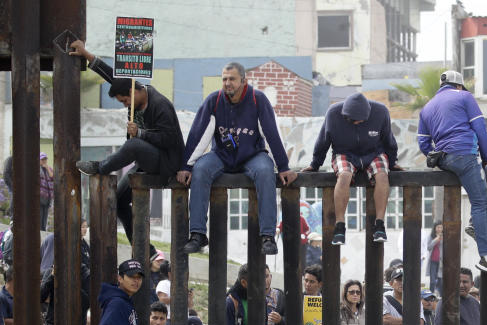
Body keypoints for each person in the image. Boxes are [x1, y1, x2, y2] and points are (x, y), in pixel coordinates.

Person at [71, 40, 184, 256]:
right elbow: (111, 75)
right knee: (118, 198)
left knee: (132, 144)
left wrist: (141, 134)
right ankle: (144, 249)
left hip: (166, 164)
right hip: (145, 161)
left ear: (136, 91)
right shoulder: (132, 92)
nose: (125, 105)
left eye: (125, 101)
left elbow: (170, 139)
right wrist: (86, 54)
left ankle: (100, 167)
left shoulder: (160, 105)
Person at [179, 62, 297, 255]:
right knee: (200, 170)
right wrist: (186, 165)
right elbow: (198, 134)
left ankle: (267, 236)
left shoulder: (258, 99)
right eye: (224, 79)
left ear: (243, 80)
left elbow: (271, 134)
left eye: (232, 79)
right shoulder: (214, 100)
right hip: (221, 156)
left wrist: (283, 166)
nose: (227, 83)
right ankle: (198, 234)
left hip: (252, 155)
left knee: (266, 171)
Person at [418, 70, 487, 275]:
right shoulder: (464, 97)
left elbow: (423, 143)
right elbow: (480, 129)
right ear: (459, 86)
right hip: (465, 155)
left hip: (444, 160)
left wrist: (438, 157)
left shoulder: (426, 108)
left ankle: (473, 225)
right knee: (480, 202)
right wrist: (486, 157)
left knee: (478, 191)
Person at [303, 92, 399, 245]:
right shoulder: (333, 113)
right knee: (344, 175)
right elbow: (323, 140)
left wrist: (392, 162)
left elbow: (389, 140)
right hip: (344, 153)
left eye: (359, 120)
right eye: (351, 120)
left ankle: (379, 225)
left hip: (373, 152)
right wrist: (315, 164)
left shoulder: (381, 112)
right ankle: (340, 225)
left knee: (382, 175)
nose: (355, 123)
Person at [38, 153, 54, 231]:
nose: (44, 161)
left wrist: (47, 167)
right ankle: (40, 230)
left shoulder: (49, 169)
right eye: (42, 159)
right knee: (40, 215)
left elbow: (53, 177)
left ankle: (43, 230)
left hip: (48, 196)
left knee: (45, 215)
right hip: (40, 195)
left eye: (45, 159)